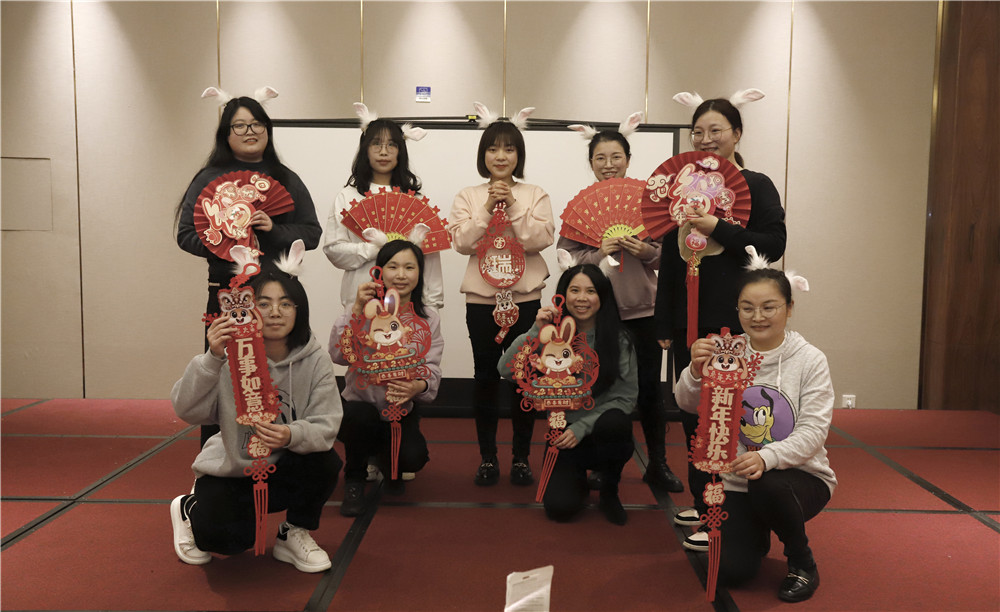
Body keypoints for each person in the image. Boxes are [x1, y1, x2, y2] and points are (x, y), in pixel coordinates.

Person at [655, 91, 787, 545]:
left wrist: (720, 229)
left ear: (737, 134)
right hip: (689, 322)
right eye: (698, 132)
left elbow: (773, 244)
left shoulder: (756, 185)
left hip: (739, 322)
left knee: (730, 415)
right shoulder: (682, 185)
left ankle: (728, 511)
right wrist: (664, 322)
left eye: (716, 130)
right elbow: (671, 258)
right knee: (693, 413)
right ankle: (702, 499)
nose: (706, 139)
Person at [169, 256, 343, 573]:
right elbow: (186, 410)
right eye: (264, 303)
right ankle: (189, 507)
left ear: (299, 310)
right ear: (248, 308)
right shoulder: (228, 354)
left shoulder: (314, 358)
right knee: (230, 543)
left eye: (286, 304)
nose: (275, 312)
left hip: (282, 464)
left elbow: (328, 422)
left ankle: (294, 532)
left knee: (325, 460)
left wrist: (292, 434)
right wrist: (211, 359)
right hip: (232, 468)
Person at [674, 260, 834, 602]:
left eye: (769, 307)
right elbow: (686, 404)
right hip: (736, 480)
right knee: (731, 572)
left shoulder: (810, 360)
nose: (757, 316)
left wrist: (767, 457)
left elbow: (813, 431)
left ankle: (802, 561)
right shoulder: (726, 351)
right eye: (747, 308)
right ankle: (756, 530)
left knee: (768, 482)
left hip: (800, 477)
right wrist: (695, 371)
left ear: (789, 308)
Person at [175, 92, 322, 446]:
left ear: (267, 130)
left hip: (277, 295)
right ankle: (217, 456)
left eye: (257, 124)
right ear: (226, 134)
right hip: (229, 295)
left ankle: (284, 446)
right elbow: (185, 234)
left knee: (282, 374)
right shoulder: (208, 178)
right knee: (224, 373)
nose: (249, 131)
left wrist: (274, 230)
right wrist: (223, 242)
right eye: (239, 125)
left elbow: (312, 233)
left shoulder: (286, 178)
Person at [558, 124, 683, 493]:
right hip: (597, 315)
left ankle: (657, 463)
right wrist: (600, 253)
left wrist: (647, 251)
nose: (608, 164)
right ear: (591, 163)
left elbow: (673, 258)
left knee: (649, 390)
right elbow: (568, 262)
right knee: (599, 388)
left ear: (628, 160)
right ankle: (602, 462)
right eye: (600, 158)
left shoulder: (650, 206)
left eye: (616, 156)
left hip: (644, 311)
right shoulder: (581, 212)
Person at [449, 115, 555, 487]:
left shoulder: (534, 193)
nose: (500, 156)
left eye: (509, 149)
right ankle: (488, 458)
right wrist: (486, 208)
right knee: (485, 377)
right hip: (482, 301)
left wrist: (511, 204)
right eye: (493, 149)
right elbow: (462, 242)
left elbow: (540, 239)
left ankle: (521, 458)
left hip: (525, 299)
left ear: (518, 155)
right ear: (484, 155)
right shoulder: (468, 195)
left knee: (525, 378)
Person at [499, 264, 637, 525]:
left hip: (601, 430)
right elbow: (505, 369)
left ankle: (609, 490)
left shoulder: (619, 339)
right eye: (575, 290)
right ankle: (578, 481)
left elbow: (626, 398)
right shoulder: (551, 335)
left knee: (616, 423)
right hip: (563, 435)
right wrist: (536, 331)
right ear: (563, 295)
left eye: (590, 291)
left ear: (602, 296)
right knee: (559, 508)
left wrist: (582, 427)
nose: (582, 298)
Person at [329, 240, 442, 516]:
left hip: (400, 408)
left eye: (409, 267)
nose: (401, 275)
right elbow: (338, 354)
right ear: (379, 271)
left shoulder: (428, 317)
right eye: (393, 267)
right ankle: (354, 478)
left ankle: (386, 462)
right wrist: (356, 309)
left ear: (420, 273)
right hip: (360, 407)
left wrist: (417, 386)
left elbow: (432, 367)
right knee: (360, 418)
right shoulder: (365, 310)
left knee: (412, 458)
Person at [323, 114, 444, 310]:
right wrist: (374, 249)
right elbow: (333, 250)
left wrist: (433, 306)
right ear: (365, 149)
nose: (384, 152)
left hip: (408, 305)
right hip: (360, 302)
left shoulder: (416, 200)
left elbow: (430, 259)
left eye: (392, 145)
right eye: (376, 144)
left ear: (400, 151)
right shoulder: (347, 197)